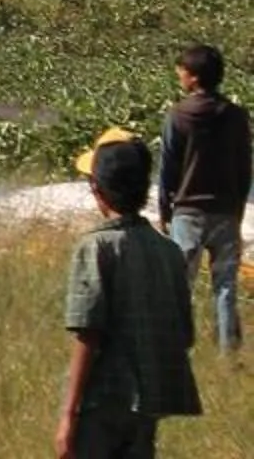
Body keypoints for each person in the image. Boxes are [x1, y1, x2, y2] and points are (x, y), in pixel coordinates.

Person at [61, 128, 202, 459]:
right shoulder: (168, 251)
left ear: (97, 189)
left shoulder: (94, 247)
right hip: (146, 405)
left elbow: (88, 334)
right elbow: (184, 332)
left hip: (101, 403)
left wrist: (67, 414)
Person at [160, 43, 250, 355]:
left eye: (182, 71)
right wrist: (236, 209)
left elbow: (168, 169)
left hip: (188, 210)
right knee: (225, 287)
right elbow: (244, 166)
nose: (179, 75)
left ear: (194, 78)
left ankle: (177, 349)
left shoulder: (178, 115)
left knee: (180, 286)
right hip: (225, 210)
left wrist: (165, 210)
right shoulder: (236, 116)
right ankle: (229, 354)